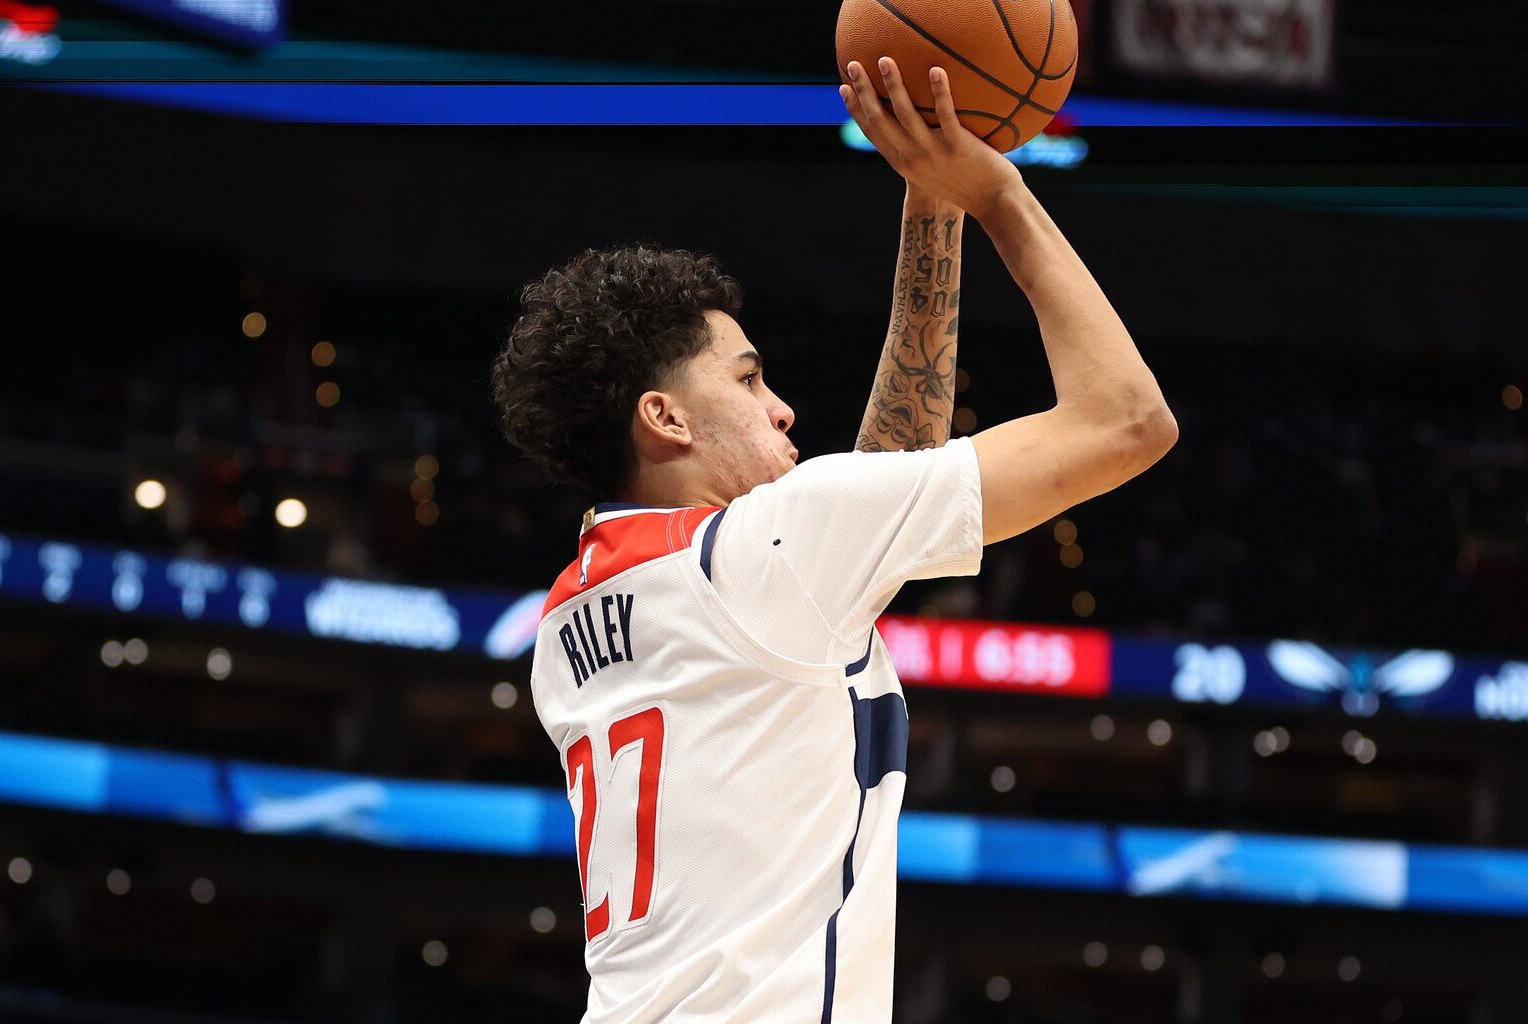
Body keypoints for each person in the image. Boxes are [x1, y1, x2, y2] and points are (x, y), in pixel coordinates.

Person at [490, 56, 1176, 1024]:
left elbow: (873, 486)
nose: (783, 407)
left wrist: (928, 205)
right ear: (667, 418)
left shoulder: (575, 608)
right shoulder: (762, 554)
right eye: (747, 379)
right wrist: (998, 193)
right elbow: (1128, 421)